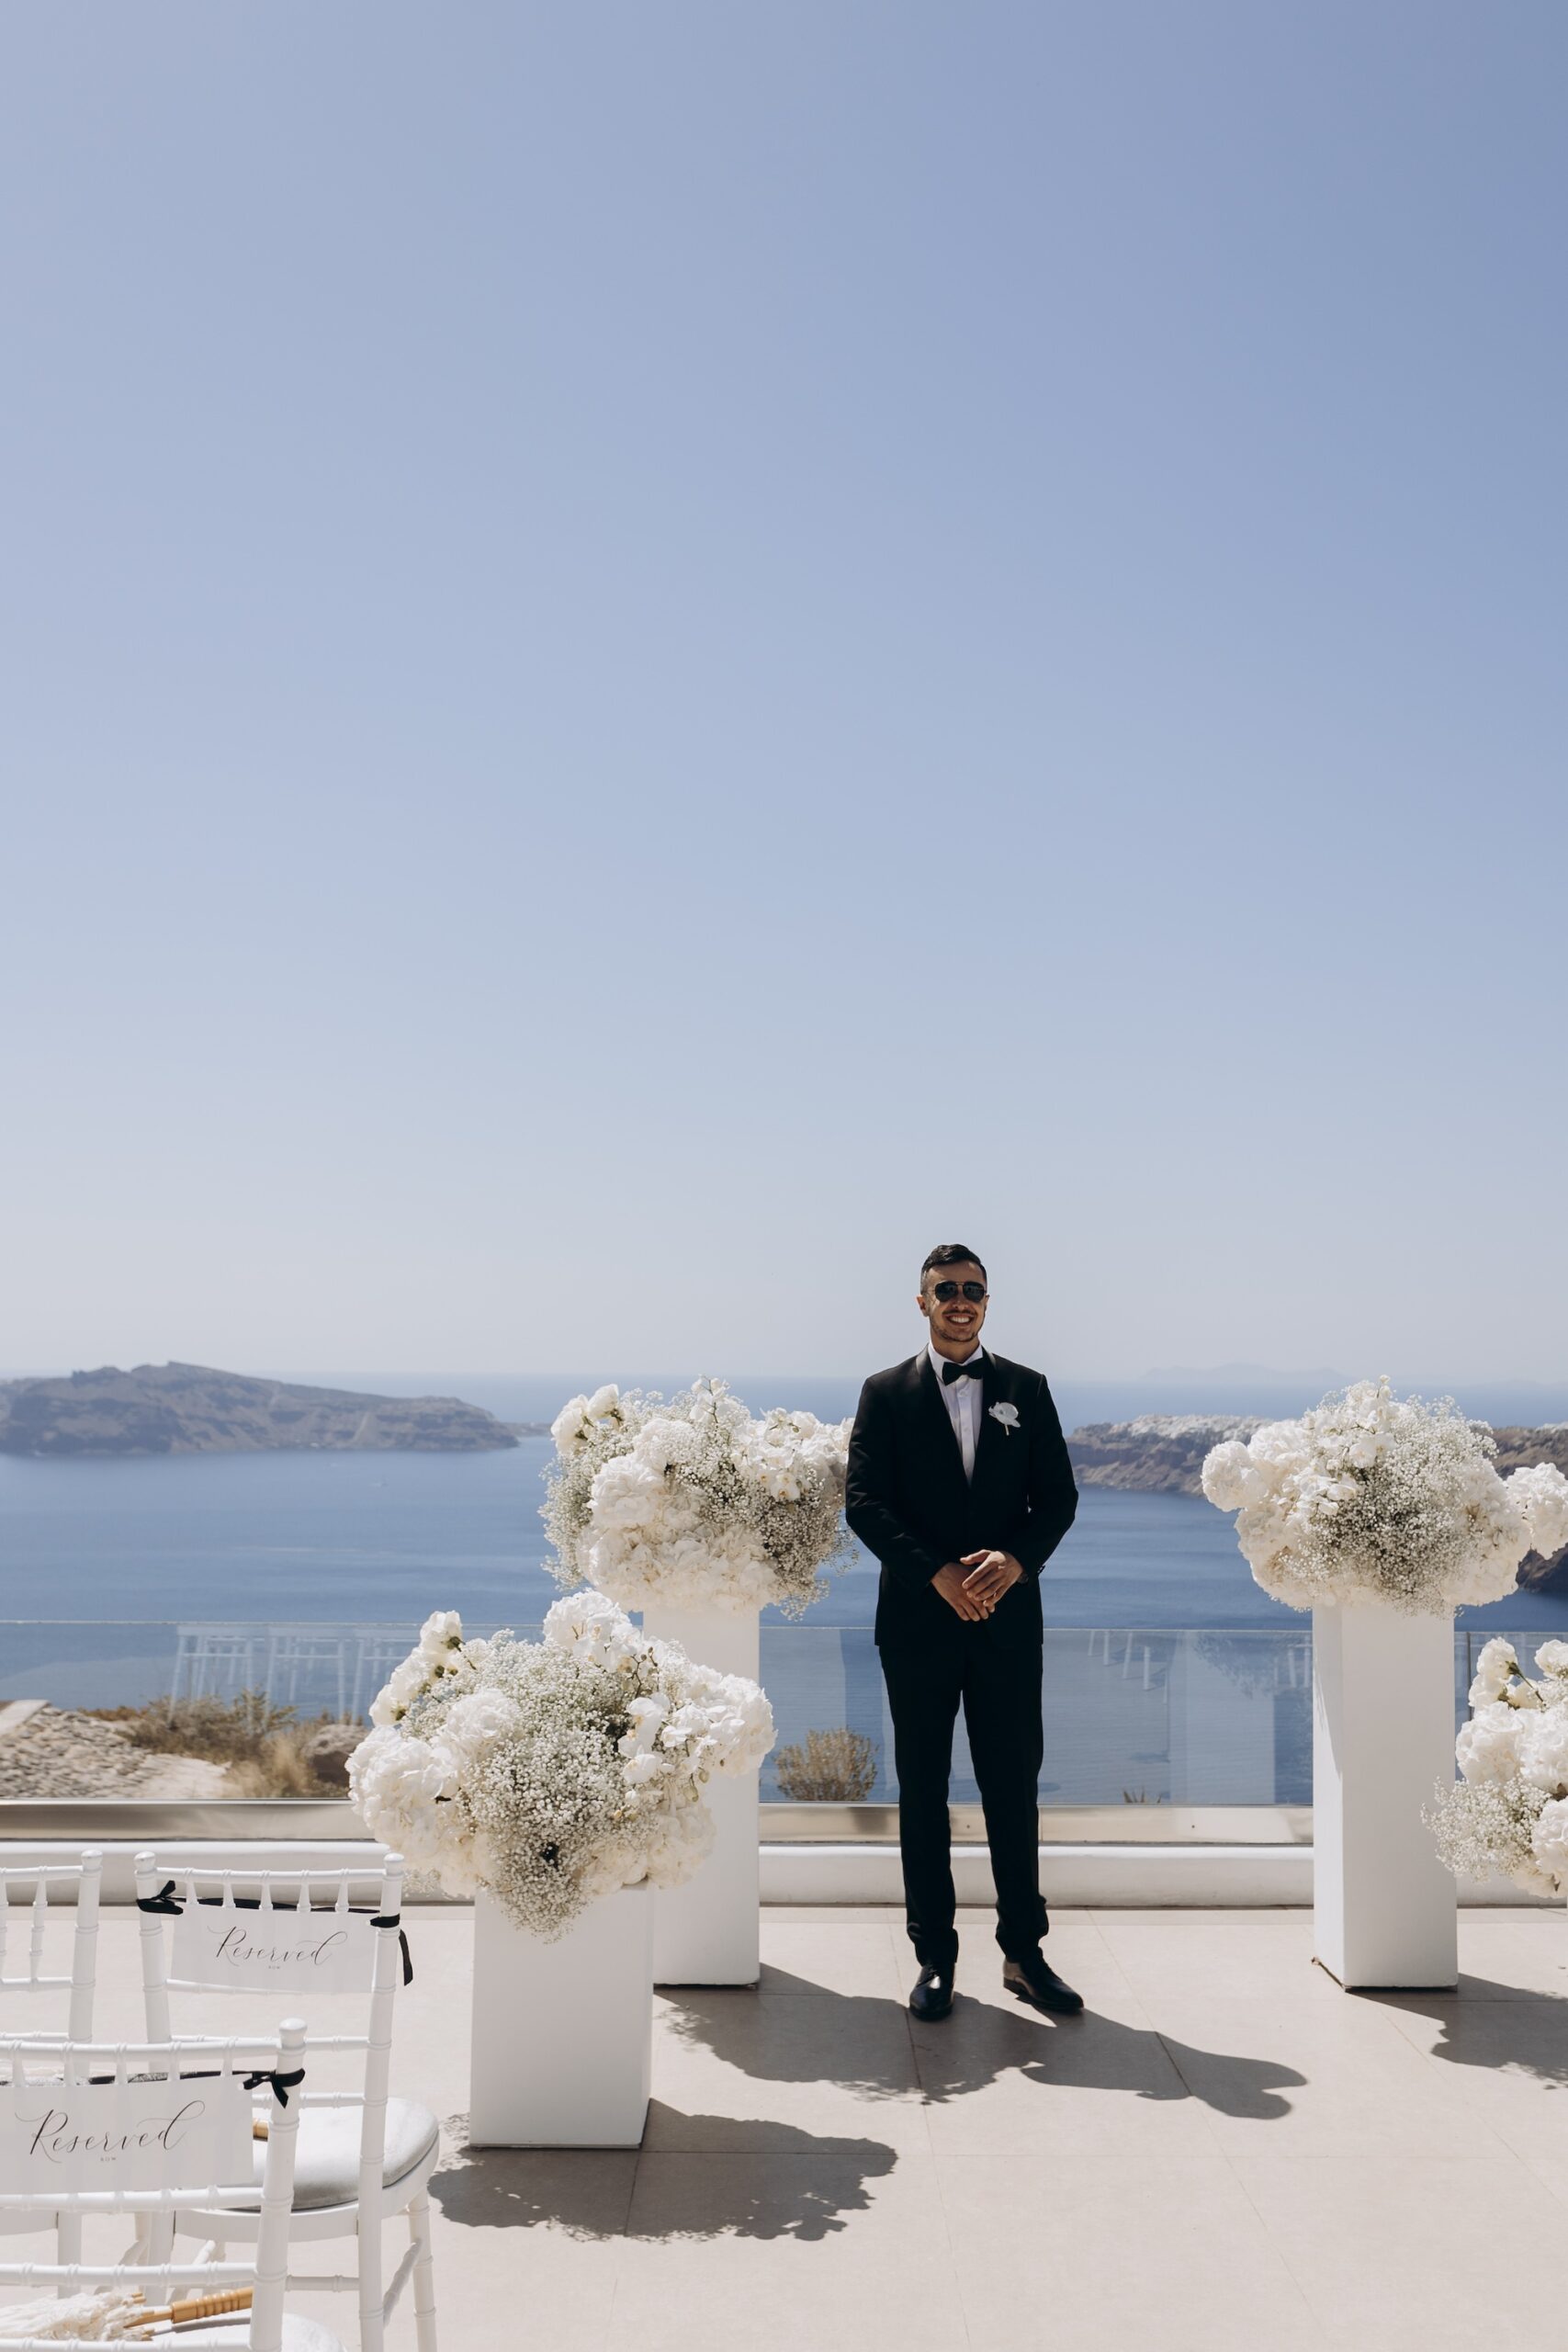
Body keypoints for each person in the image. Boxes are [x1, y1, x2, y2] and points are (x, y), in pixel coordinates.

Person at [846, 1244, 1082, 2019]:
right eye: (944, 1290)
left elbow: (1057, 1501)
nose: (959, 1301)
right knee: (922, 1792)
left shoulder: (1026, 1388)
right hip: (917, 1624)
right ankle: (935, 1960)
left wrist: (1013, 1562)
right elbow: (865, 1504)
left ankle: (1023, 1953)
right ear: (920, 1302)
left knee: (1012, 1790)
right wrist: (937, 1574)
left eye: (971, 1290)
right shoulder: (884, 1393)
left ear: (987, 1301)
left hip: (1008, 1627)